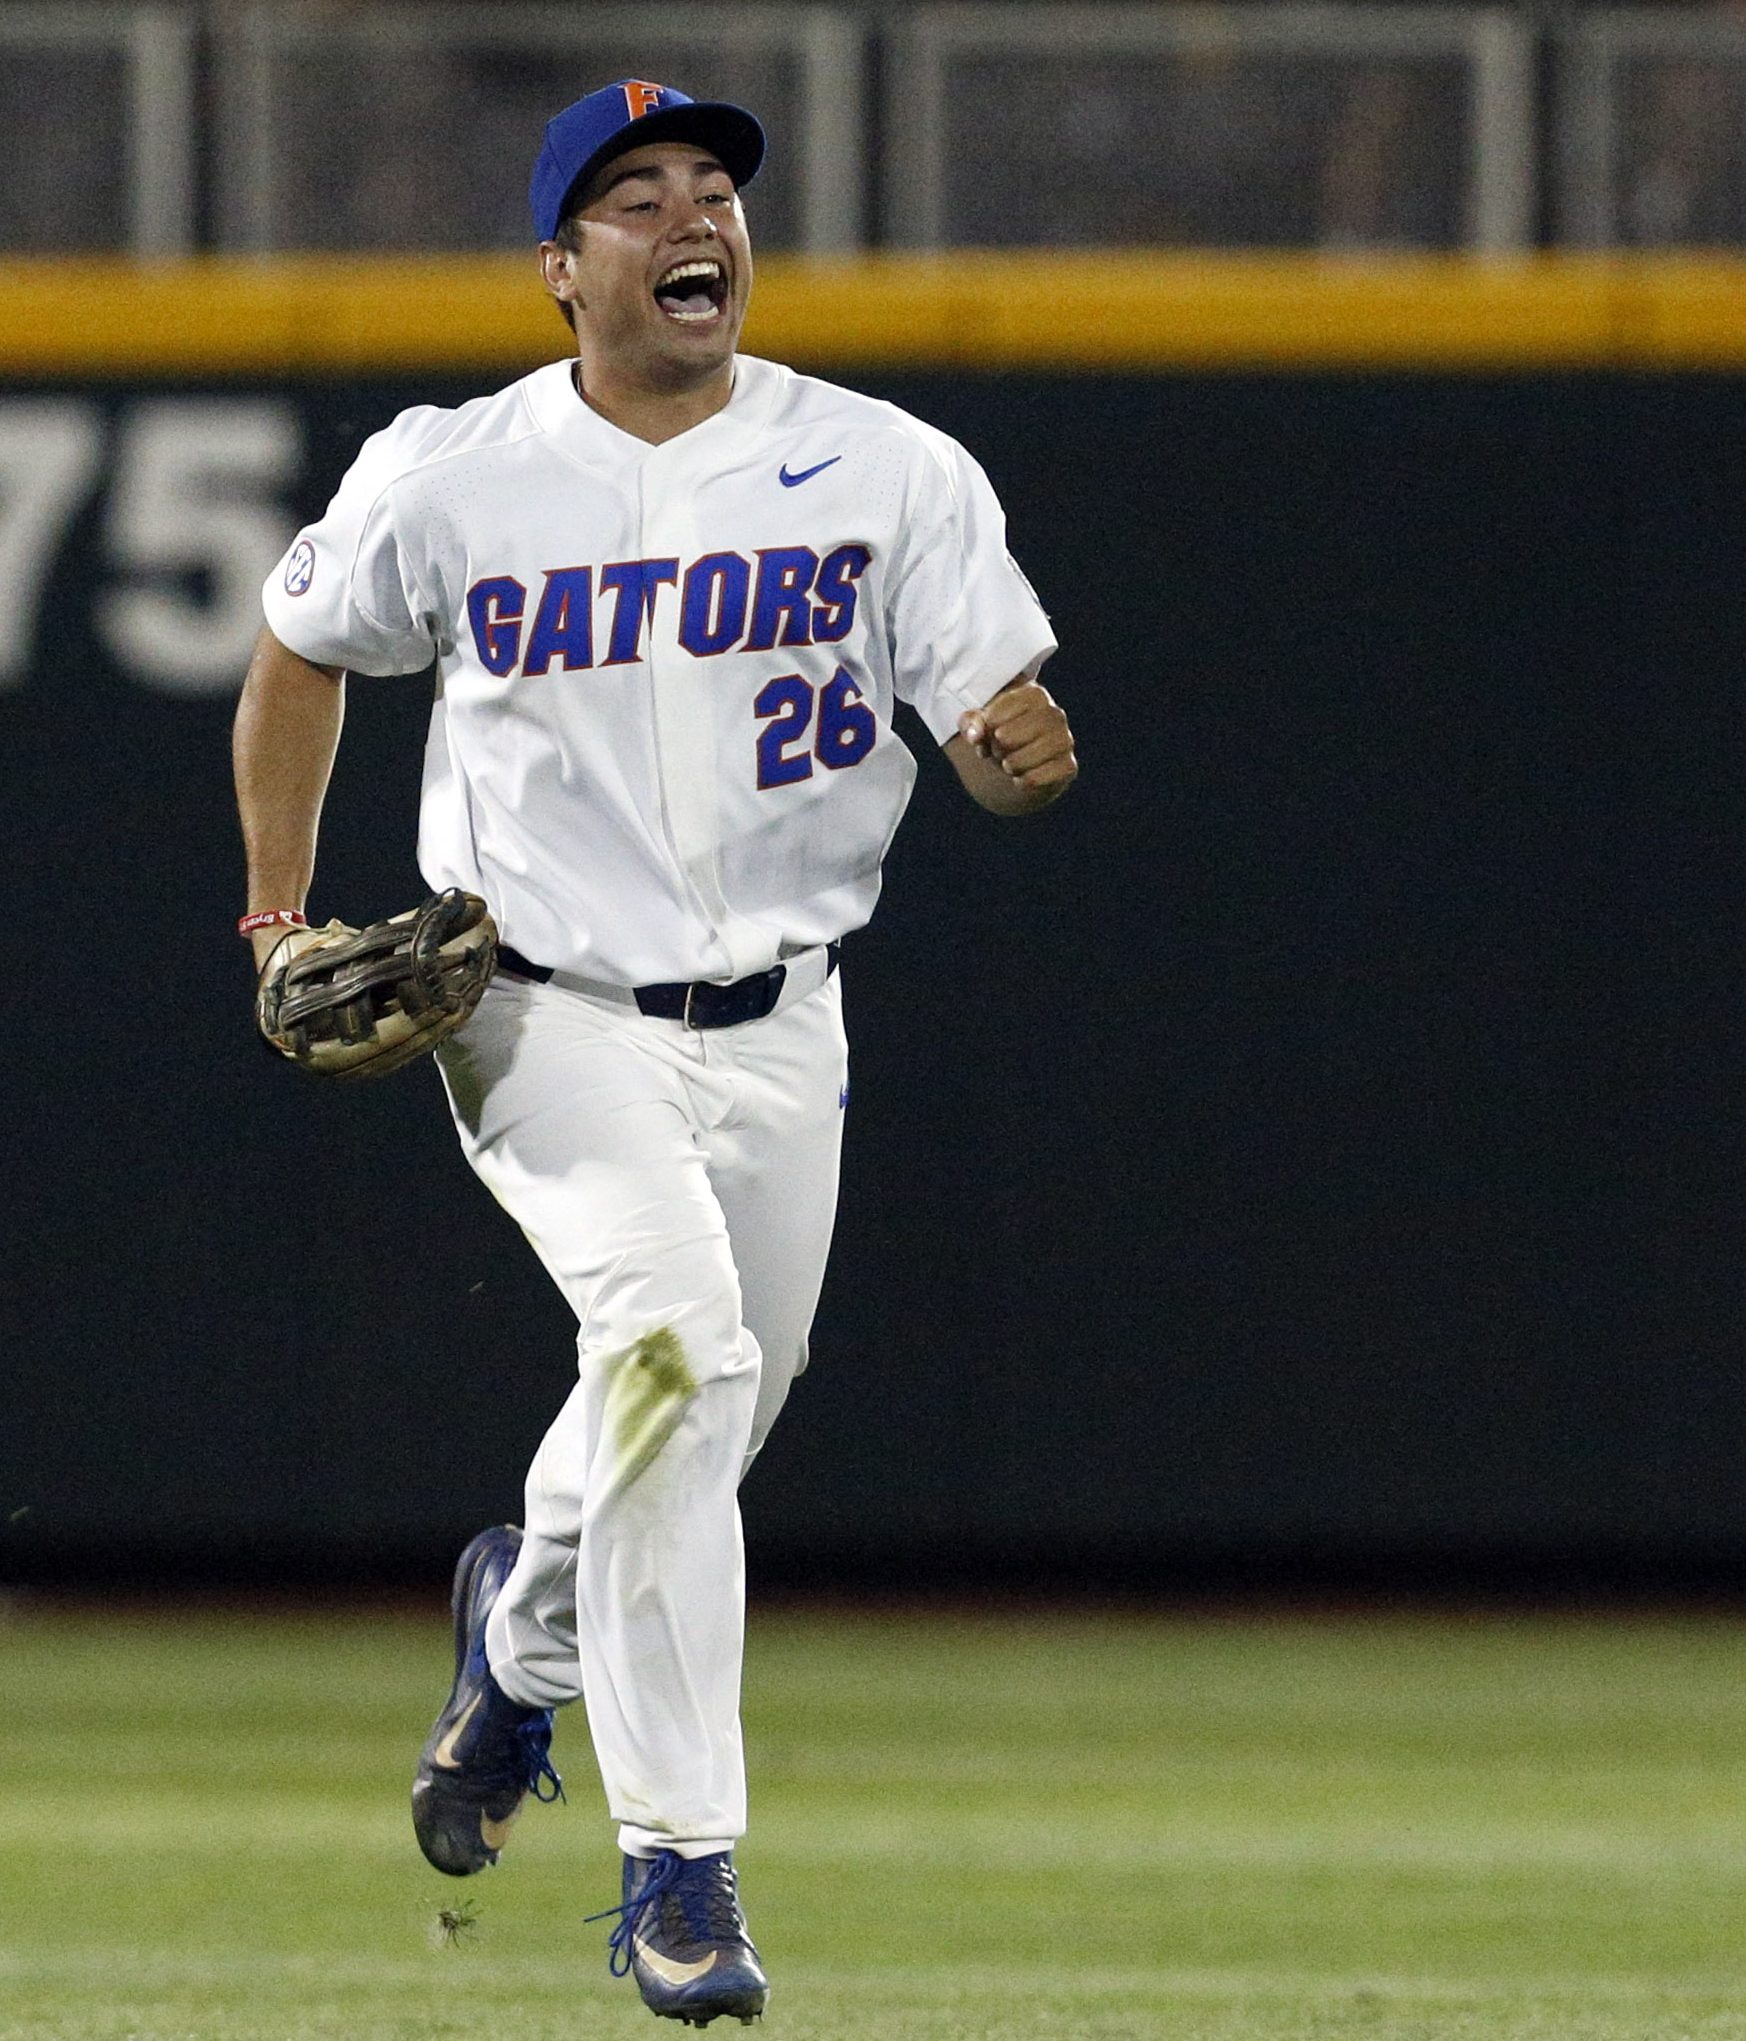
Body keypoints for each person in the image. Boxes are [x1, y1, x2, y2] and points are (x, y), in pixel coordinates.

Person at [231, 77, 1079, 2027]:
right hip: (534, 1010)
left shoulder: (884, 467)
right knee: (679, 1359)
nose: (688, 212)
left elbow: (994, 716)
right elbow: (296, 648)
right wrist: (277, 918)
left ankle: (517, 1643)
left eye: (709, 184)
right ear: (560, 269)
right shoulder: (452, 470)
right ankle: (678, 1869)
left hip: (785, 1023)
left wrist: (1015, 759)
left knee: (692, 1406)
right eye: (633, 196)